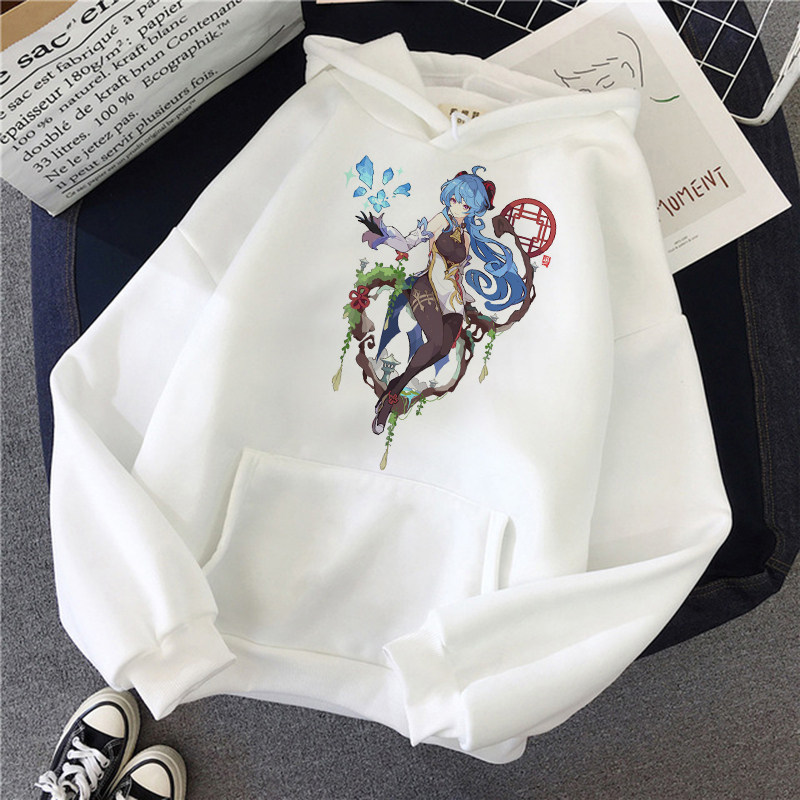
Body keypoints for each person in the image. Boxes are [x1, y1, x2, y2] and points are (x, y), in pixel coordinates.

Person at [358, 166, 525, 433]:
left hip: (453, 300)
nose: (457, 205)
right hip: (427, 288)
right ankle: (390, 400)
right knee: (435, 342)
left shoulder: (467, 236)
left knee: (442, 350)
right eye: (455, 199)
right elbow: (409, 243)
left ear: (473, 209)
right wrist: (384, 235)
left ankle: (394, 388)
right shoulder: (439, 221)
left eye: (465, 204)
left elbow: (459, 271)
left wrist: (468, 298)